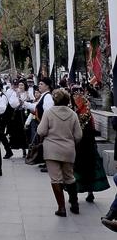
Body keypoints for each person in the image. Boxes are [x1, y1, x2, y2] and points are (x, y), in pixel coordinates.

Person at [37, 88, 83, 216]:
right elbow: (78, 135)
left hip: (51, 150)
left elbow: (41, 131)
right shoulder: (73, 114)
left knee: (56, 178)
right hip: (68, 149)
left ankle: (61, 208)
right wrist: (71, 143)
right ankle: (75, 204)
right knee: (69, 176)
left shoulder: (48, 113)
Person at [69, 86, 110, 202]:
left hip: (77, 142)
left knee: (75, 166)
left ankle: (74, 194)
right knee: (91, 165)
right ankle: (90, 192)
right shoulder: (87, 105)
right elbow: (92, 125)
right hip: (88, 141)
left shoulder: (72, 106)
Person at [8, 80, 31, 158]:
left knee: (27, 131)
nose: (21, 86)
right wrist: (18, 102)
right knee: (19, 131)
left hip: (26, 114)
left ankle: (28, 148)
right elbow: (12, 104)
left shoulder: (28, 93)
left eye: (22, 85)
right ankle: (23, 149)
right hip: (18, 114)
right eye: (19, 85)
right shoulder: (15, 94)